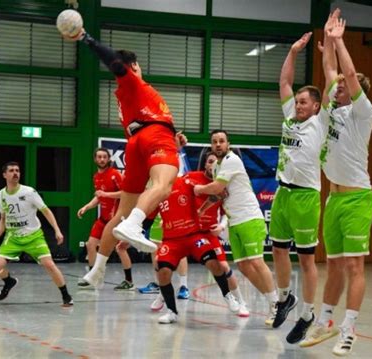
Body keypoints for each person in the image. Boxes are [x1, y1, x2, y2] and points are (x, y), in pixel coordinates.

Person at [63, 26, 186, 288]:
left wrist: (174, 136)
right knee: (163, 185)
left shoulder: (131, 96)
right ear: (135, 66)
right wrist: (87, 39)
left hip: (137, 143)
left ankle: (97, 270)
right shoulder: (133, 80)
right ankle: (135, 225)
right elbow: (117, 64)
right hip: (154, 137)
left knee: (119, 214)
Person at [300, 14, 372, 356]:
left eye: (346, 86)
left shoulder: (364, 113)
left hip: (358, 198)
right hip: (333, 198)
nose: (339, 87)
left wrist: (342, 41)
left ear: (357, 90)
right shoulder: (333, 108)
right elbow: (331, 71)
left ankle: (350, 328)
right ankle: (326, 321)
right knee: (332, 264)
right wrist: (330, 41)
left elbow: (345, 73)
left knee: (353, 266)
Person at [270, 31, 328, 338]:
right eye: (298, 101)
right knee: (278, 251)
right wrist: (293, 52)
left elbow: (330, 84)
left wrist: (329, 46)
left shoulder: (319, 122)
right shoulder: (290, 117)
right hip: (283, 192)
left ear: (317, 106)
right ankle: (284, 298)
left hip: (306, 197)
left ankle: (307, 314)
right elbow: (284, 83)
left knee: (306, 259)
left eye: (304, 101)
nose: (299, 104)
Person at [194, 130, 278, 326]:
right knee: (243, 266)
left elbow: (214, 188)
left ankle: (277, 303)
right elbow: (219, 195)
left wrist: (199, 190)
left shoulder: (232, 160)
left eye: (221, 141)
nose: (218, 145)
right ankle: (271, 301)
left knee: (257, 262)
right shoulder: (217, 167)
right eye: (214, 142)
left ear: (228, 144)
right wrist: (202, 209)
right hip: (234, 221)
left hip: (249, 218)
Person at [151, 152, 249, 317]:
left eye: (216, 163)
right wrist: (169, 218)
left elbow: (226, 211)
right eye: (210, 161)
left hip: (208, 233)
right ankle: (164, 299)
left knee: (222, 266)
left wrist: (222, 225)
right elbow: (177, 195)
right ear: (205, 164)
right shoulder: (191, 178)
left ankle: (238, 300)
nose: (213, 165)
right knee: (163, 266)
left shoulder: (223, 184)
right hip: (188, 231)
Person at [0, 162, 73, 306]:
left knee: (49, 265)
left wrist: (57, 230)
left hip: (34, 236)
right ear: (4, 175)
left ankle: (66, 295)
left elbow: (46, 211)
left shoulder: (29, 192)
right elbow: (3, 218)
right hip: (13, 237)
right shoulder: (0, 195)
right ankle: (9, 282)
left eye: (17, 170)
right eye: (11, 170)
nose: (15, 173)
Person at [76, 148, 134, 290]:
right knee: (91, 245)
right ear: (95, 159)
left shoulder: (115, 175)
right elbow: (98, 196)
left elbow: (125, 194)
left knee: (120, 249)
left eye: (104, 157)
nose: (102, 159)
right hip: (103, 219)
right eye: (99, 157)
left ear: (109, 159)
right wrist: (87, 207)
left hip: (116, 219)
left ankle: (129, 281)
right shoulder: (96, 176)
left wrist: (106, 195)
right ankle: (93, 277)